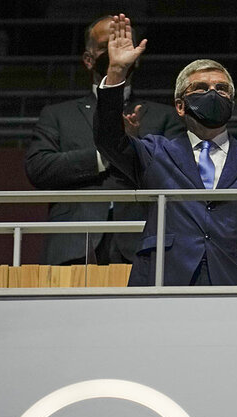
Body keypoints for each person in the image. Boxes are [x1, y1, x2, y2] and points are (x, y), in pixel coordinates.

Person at [94, 14, 237, 286]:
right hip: (164, 279)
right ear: (180, 105)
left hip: (235, 283)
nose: (212, 93)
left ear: (232, 102)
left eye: (222, 89)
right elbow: (108, 140)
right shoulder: (155, 153)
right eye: (200, 88)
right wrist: (116, 73)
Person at [24, 15, 184, 266]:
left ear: (136, 57)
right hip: (72, 245)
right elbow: (39, 168)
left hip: (143, 243)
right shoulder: (57, 114)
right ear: (88, 59)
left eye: (122, 45)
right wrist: (108, 154)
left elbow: (177, 172)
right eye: (105, 46)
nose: (114, 52)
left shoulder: (164, 116)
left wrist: (134, 149)